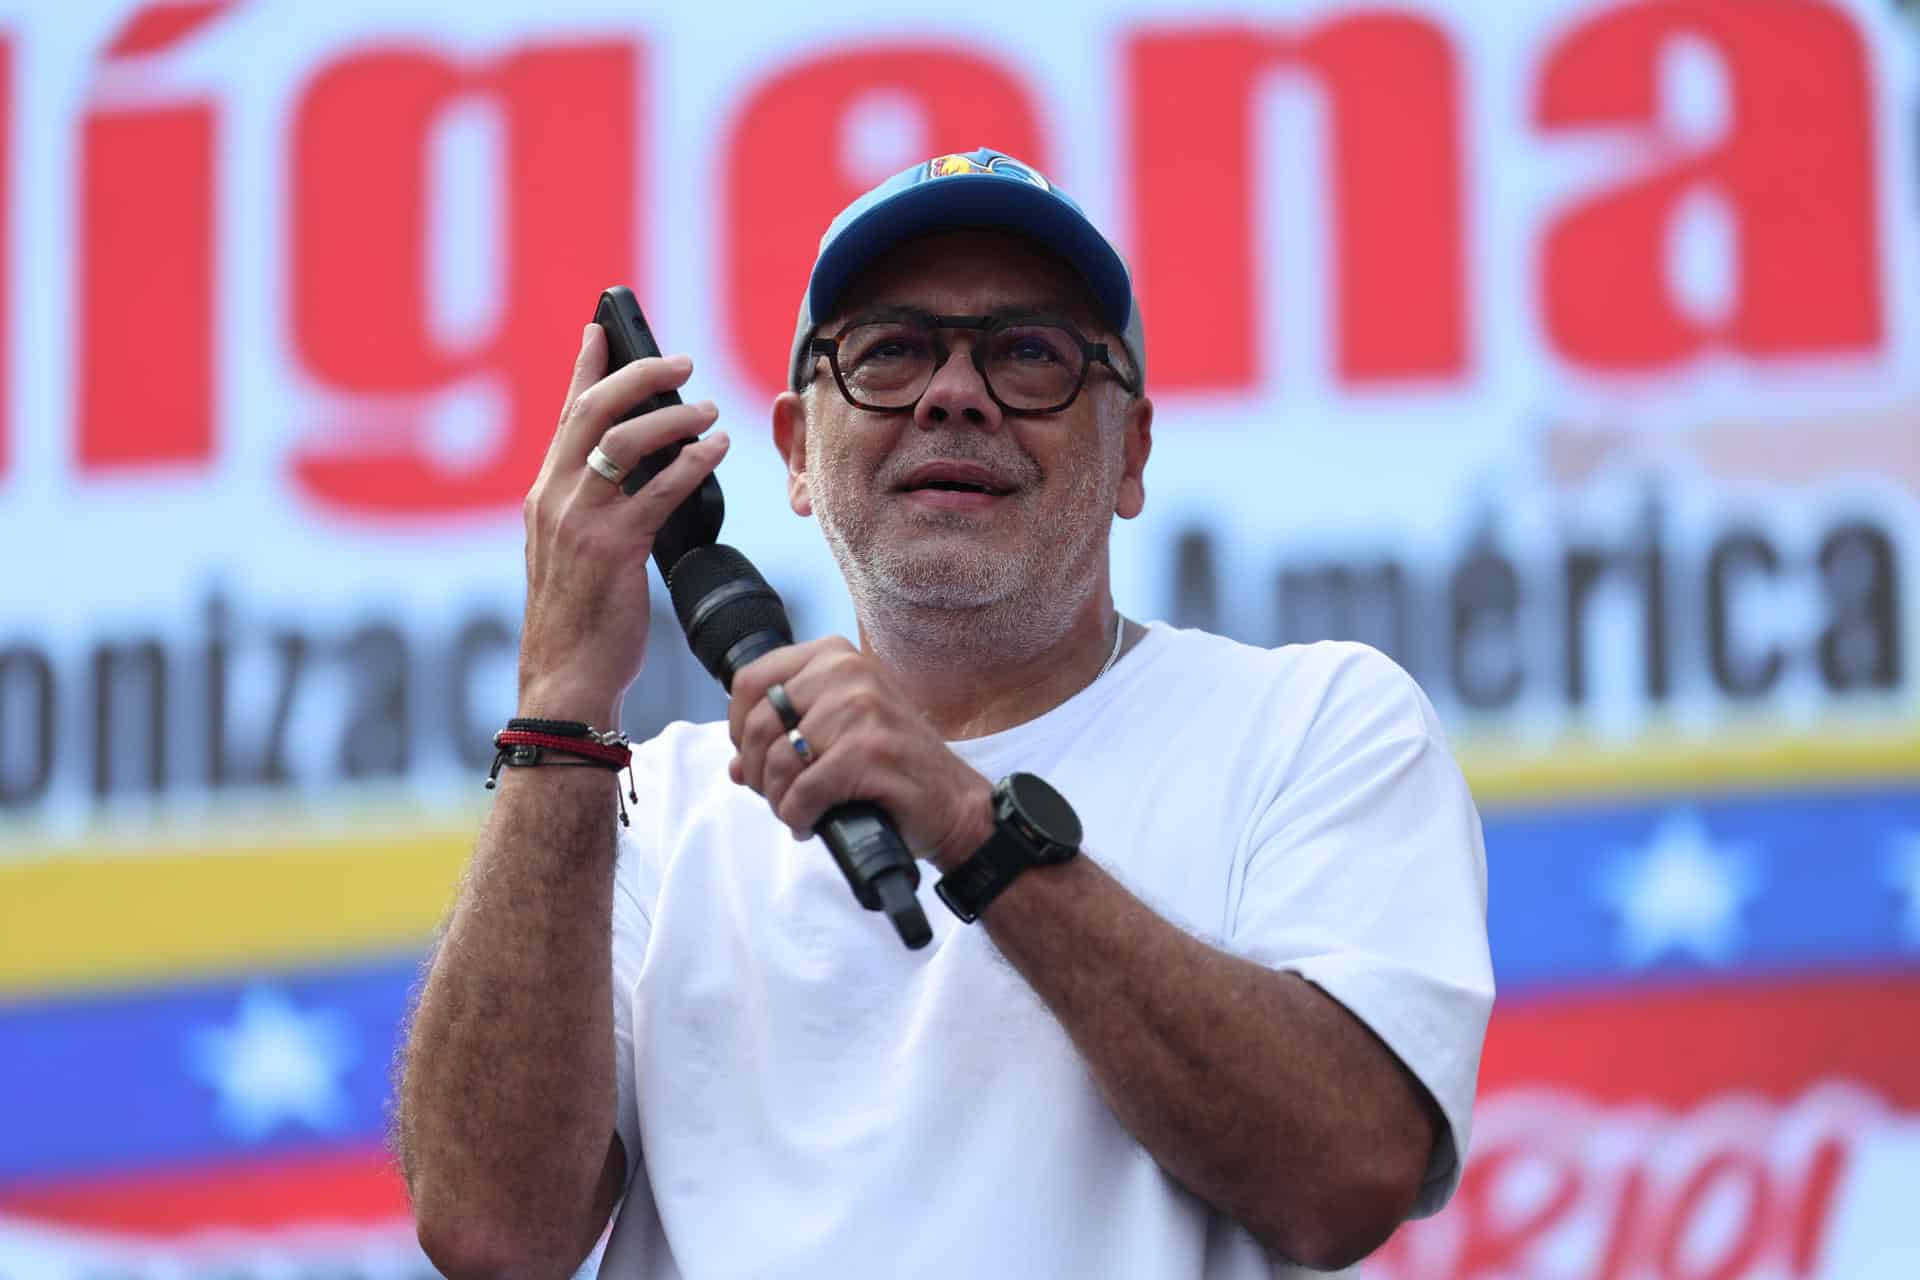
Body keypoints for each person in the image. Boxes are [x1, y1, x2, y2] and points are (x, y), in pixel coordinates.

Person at [394, 147, 1494, 1279]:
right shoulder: (647, 810)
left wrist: (971, 825)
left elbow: (1347, 1173)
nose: (954, 393)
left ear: (1133, 453)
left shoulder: (1314, 723)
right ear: (796, 455)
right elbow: (492, 1232)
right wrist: (561, 707)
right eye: (890, 351)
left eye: (1030, 353)